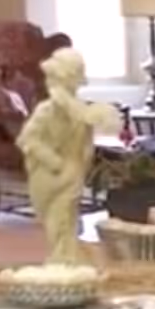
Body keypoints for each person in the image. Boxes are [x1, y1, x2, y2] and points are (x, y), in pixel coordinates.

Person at [17, 47, 118, 265]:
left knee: (67, 216)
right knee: (57, 217)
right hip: (52, 174)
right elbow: (27, 139)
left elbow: (87, 139)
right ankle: (61, 257)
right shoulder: (47, 111)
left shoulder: (80, 111)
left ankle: (67, 255)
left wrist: (98, 121)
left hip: (73, 172)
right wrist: (53, 161)